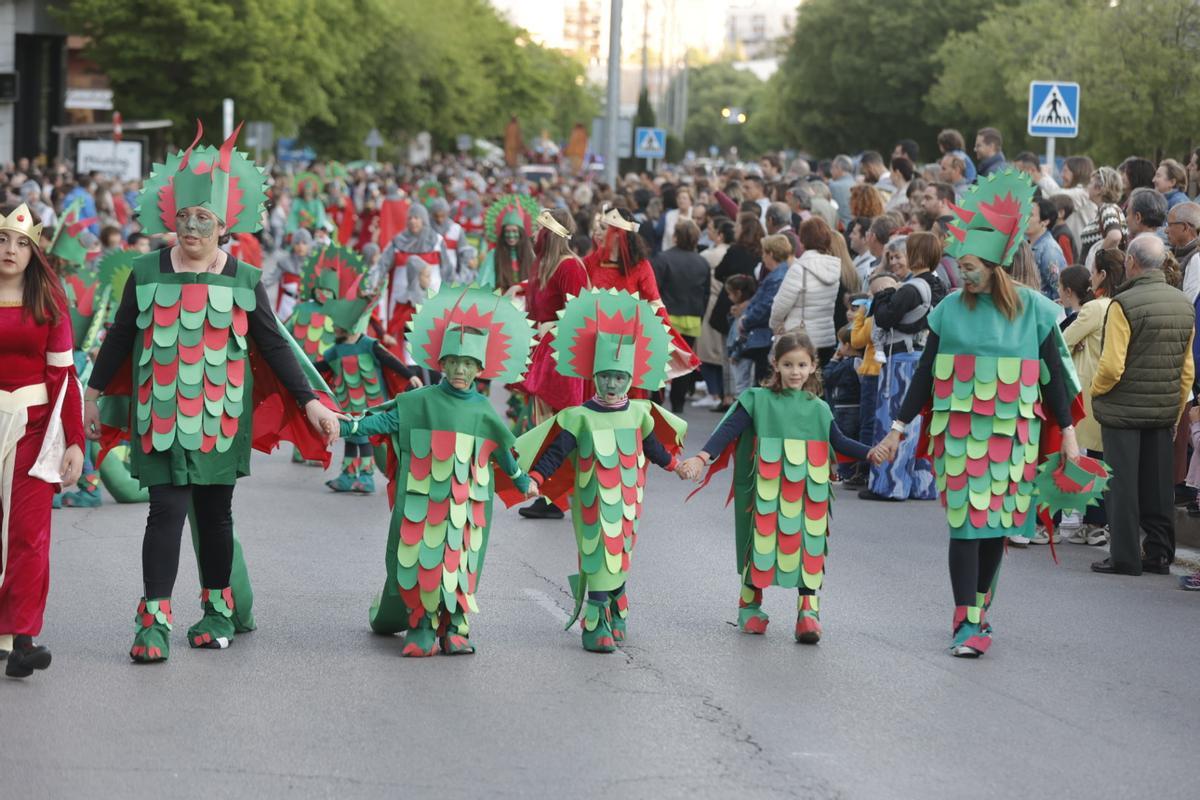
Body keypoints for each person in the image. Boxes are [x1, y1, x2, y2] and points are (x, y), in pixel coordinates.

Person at [85, 124, 343, 662]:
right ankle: (153, 620)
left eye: (203, 220)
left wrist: (311, 401)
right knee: (165, 511)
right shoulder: (145, 271)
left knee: (215, 514)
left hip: (220, 417)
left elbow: (275, 347)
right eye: (184, 218)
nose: (192, 228)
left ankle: (218, 609)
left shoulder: (246, 279)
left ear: (224, 226)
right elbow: (122, 337)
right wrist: (91, 394)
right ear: (171, 219)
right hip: (159, 414)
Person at [875, 170, 1081, 658]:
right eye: (958, 266)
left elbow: (1053, 376)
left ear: (995, 265)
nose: (961, 274)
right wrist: (898, 429)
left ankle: (980, 606)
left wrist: (1069, 436)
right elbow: (925, 375)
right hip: (961, 435)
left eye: (970, 267)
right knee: (968, 523)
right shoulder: (947, 309)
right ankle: (965, 619)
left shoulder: (1034, 310)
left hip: (1013, 437)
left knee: (998, 526)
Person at [340, 286, 534, 656]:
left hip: (466, 510)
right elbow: (383, 420)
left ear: (480, 369)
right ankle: (424, 625)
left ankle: (456, 627)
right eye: (453, 361)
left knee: (460, 563)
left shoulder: (483, 411)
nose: (460, 370)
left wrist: (523, 481)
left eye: (468, 364)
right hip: (424, 506)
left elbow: (505, 452)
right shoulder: (420, 401)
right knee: (424, 563)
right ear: (441, 363)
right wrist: (348, 427)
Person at [514, 290, 686, 653]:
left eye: (619, 378)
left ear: (630, 378)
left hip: (628, 500)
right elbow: (556, 453)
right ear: (594, 375)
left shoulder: (640, 413)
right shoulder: (580, 417)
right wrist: (536, 479)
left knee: (620, 550)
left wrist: (676, 466)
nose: (611, 385)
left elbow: (653, 449)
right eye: (605, 377)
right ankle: (596, 618)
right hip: (591, 500)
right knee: (597, 550)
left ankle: (617, 603)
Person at [677, 332, 876, 643]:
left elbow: (838, 441)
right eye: (788, 364)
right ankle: (750, 606)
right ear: (775, 365)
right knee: (761, 543)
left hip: (808, 491)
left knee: (808, 545)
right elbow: (727, 430)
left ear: (813, 366)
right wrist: (702, 458)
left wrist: (870, 453)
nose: (795, 371)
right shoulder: (757, 400)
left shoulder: (819, 407)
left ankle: (808, 612)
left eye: (801, 364)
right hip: (765, 490)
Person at [0, 203, 84, 678]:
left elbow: (64, 375)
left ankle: (24, 641)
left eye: (21, 243)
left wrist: (74, 440)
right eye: (4, 240)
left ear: (34, 252)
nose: (11, 249)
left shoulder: (49, 301)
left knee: (29, 534)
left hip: (34, 428)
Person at [1090, 235, 1195, 576]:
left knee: (1121, 486)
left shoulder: (1124, 303)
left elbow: (1111, 367)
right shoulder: (1183, 303)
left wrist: (1096, 391)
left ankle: (1124, 557)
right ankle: (1160, 554)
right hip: (1163, 406)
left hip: (1123, 410)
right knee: (1158, 486)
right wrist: (1176, 405)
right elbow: (1187, 367)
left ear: (1132, 262)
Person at [514, 208, 591, 521]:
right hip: (543, 354)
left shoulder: (570, 266)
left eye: (539, 228)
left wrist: (552, 330)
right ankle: (550, 492)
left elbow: (581, 316)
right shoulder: (543, 264)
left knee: (558, 426)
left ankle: (557, 497)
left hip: (561, 359)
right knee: (543, 424)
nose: (534, 234)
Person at [315, 292, 421, 494]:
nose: (334, 327)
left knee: (363, 437)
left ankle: (365, 477)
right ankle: (347, 475)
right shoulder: (336, 350)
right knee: (350, 437)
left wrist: (409, 375)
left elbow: (390, 360)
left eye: (337, 324)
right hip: (347, 403)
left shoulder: (368, 344)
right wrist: (297, 366)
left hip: (369, 402)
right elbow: (320, 368)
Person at [1060, 262, 1116, 546]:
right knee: (1097, 455)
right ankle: (1095, 524)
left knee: (1074, 453)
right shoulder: (1114, 306)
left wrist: (1073, 342)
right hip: (1106, 390)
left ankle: (1068, 521)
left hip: (1086, 390)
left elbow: (1061, 343)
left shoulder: (1093, 309)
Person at [652, 219, 710, 412]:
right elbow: (706, 293)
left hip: (667, 317)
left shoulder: (662, 258)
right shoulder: (702, 262)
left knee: (659, 359)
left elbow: (654, 290)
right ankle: (678, 404)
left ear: (675, 237)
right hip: (692, 318)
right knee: (684, 362)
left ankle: (656, 401)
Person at [768, 217, 842, 364]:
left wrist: (775, 325)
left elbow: (780, 305)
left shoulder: (799, 269)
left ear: (803, 241)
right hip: (826, 337)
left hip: (800, 339)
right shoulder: (834, 268)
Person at [735, 234, 792, 383]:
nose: (762, 257)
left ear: (771, 254)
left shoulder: (777, 277)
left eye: (764, 253)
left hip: (764, 334)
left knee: (762, 380)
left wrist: (746, 321)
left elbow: (766, 306)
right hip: (766, 333)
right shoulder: (780, 273)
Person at [694, 217, 734, 410]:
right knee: (722, 353)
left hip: (713, 303)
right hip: (728, 304)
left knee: (707, 351)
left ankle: (714, 392)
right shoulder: (731, 253)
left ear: (720, 235)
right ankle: (721, 392)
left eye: (712, 228)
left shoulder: (709, 255)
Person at [477, 194, 537, 292]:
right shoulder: (494, 254)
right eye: (507, 232)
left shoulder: (530, 254)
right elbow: (484, 283)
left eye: (514, 231)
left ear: (521, 233)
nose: (511, 235)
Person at [1078, 167, 1127, 267]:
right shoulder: (1107, 209)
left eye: (1090, 183)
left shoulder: (1108, 208)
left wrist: (1095, 263)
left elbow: (1115, 236)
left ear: (1099, 189)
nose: (1088, 186)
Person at [1026, 197, 1067, 301]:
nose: (1024, 217)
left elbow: (1060, 292)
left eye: (1030, 215)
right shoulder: (1026, 242)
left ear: (1044, 222)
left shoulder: (1049, 250)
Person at [1167, 201, 1200, 303]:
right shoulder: (1171, 252)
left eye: (1169, 225)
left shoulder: (1196, 260)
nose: (1166, 230)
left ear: (1185, 227)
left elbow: (1189, 302)